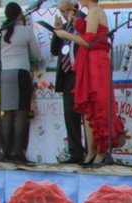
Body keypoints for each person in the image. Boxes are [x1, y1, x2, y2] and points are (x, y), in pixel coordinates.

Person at [54, 0, 125, 166]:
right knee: (88, 108)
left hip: (96, 60)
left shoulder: (95, 12)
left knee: (98, 105)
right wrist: (74, 23)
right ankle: (91, 151)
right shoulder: (89, 13)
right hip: (88, 60)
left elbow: (89, 41)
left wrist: (66, 35)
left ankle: (101, 151)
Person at [0, 2, 40, 164]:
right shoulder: (26, 31)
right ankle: (17, 151)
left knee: (7, 113)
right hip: (20, 73)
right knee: (21, 113)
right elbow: (37, 54)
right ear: (19, 15)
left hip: (4, 75)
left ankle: (6, 151)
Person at [50, 0, 85, 164]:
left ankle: (92, 152)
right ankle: (75, 152)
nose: (65, 14)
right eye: (62, 11)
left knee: (86, 114)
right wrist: (56, 31)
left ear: (75, 7)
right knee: (70, 116)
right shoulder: (64, 27)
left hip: (80, 73)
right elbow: (54, 51)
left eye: (67, 10)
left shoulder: (83, 21)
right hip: (66, 75)